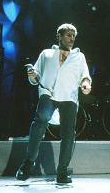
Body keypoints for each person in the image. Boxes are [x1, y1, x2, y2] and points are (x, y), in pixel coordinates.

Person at [15, 23, 92, 184]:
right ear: (59, 36)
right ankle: (28, 163)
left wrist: (85, 84)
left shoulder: (79, 56)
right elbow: (35, 78)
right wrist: (32, 74)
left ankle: (62, 172)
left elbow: (84, 75)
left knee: (68, 134)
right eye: (68, 35)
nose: (71, 38)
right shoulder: (47, 53)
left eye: (73, 36)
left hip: (69, 97)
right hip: (48, 93)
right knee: (41, 118)